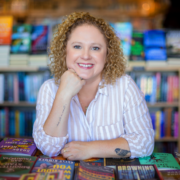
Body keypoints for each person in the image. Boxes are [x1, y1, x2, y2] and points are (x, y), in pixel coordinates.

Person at [33, 12, 154, 160]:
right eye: (77, 46)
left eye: (95, 48)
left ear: (107, 53)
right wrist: (63, 95)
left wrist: (91, 149)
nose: (85, 55)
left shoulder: (125, 86)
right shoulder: (49, 88)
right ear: (64, 50)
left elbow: (145, 143)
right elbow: (48, 148)